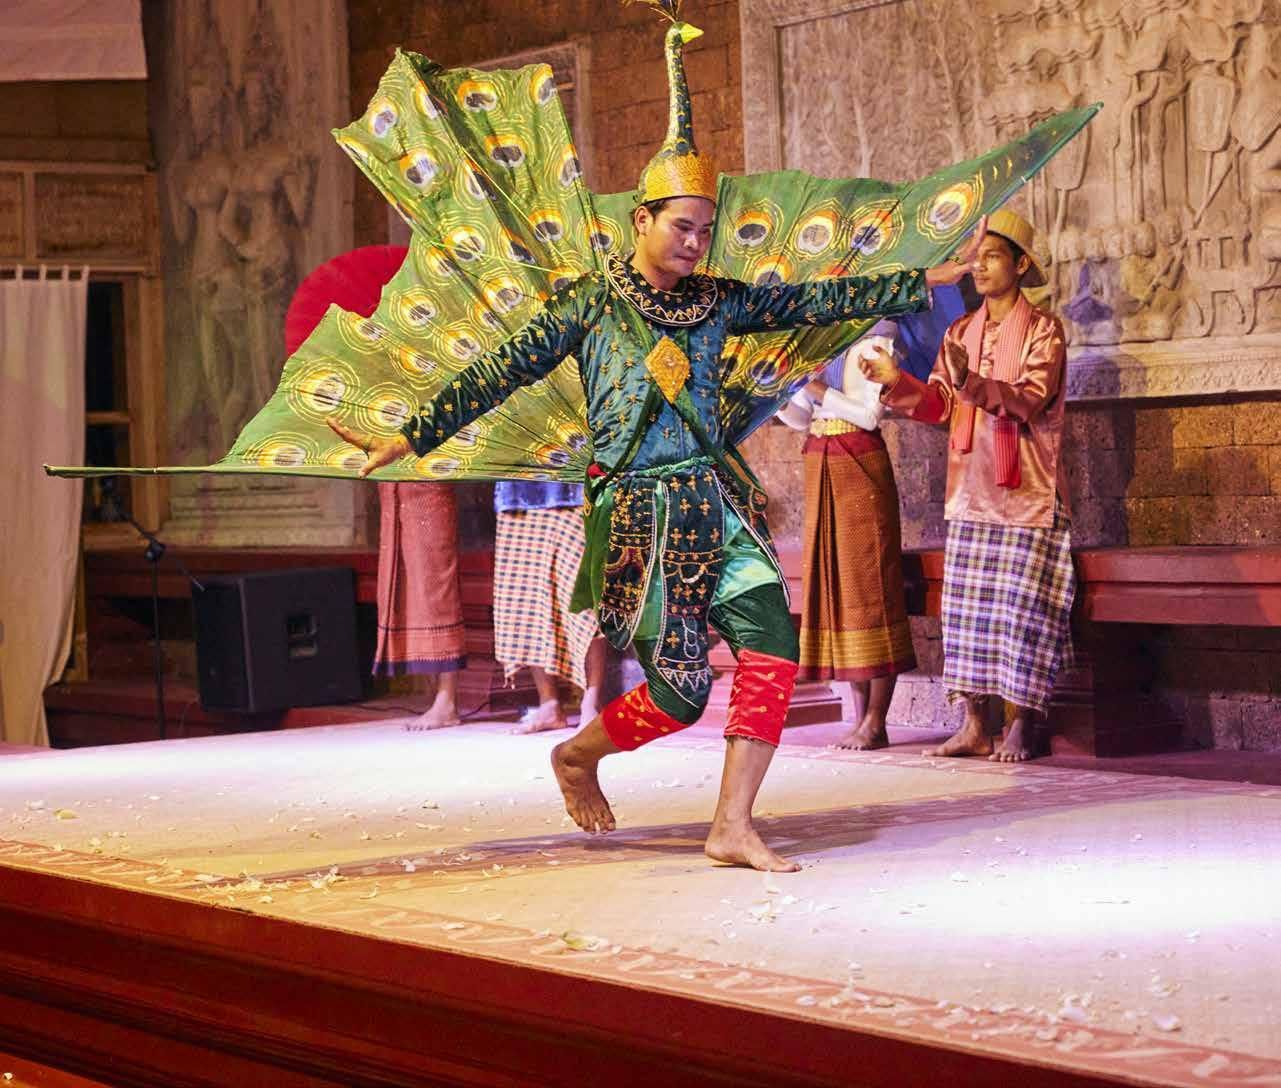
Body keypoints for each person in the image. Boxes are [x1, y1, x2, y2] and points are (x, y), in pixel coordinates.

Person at [327, 14, 981, 871]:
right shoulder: (587, 305)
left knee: (772, 653)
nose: (696, 241)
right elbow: (497, 372)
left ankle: (731, 825)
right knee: (677, 693)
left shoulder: (716, 300)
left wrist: (918, 276)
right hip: (636, 513)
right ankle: (577, 753)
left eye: (706, 229)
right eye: (682, 226)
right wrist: (406, 435)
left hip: (712, 501)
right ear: (640, 220)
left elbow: (812, 301)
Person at [859, 209, 1073, 762]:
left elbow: (1027, 399)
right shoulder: (959, 332)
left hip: (1027, 493)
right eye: (976, 258)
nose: (979, 267)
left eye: (993, 256)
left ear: (1022, 265)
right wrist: (897, 382)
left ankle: (1024, 722)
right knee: (970, 616)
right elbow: (940, 406)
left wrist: (969, 380)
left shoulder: (1044, 330)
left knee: (1022, 614)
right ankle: (975, 724)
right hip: (969, 490)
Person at [776, 325, 917, 750]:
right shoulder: (823, 343)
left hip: (859, 465)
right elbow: (803, 417)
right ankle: (861, 719)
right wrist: (784, 389)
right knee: (837, 589)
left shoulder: (875, 343)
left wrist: (817, 386)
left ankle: (877, 718)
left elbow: (868, 415)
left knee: (867, 585)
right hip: (822, 463)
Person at [492, 479, 605, 732]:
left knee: (583, 601)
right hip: (517, 489)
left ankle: (590, 703)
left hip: (573, 487)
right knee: (526, 598)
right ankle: (548, 703)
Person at [373, 482, 465, 729]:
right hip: (395, 488)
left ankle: (447, 700)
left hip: (428, 485)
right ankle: (437, 698)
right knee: (411, 594)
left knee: (435, 590)